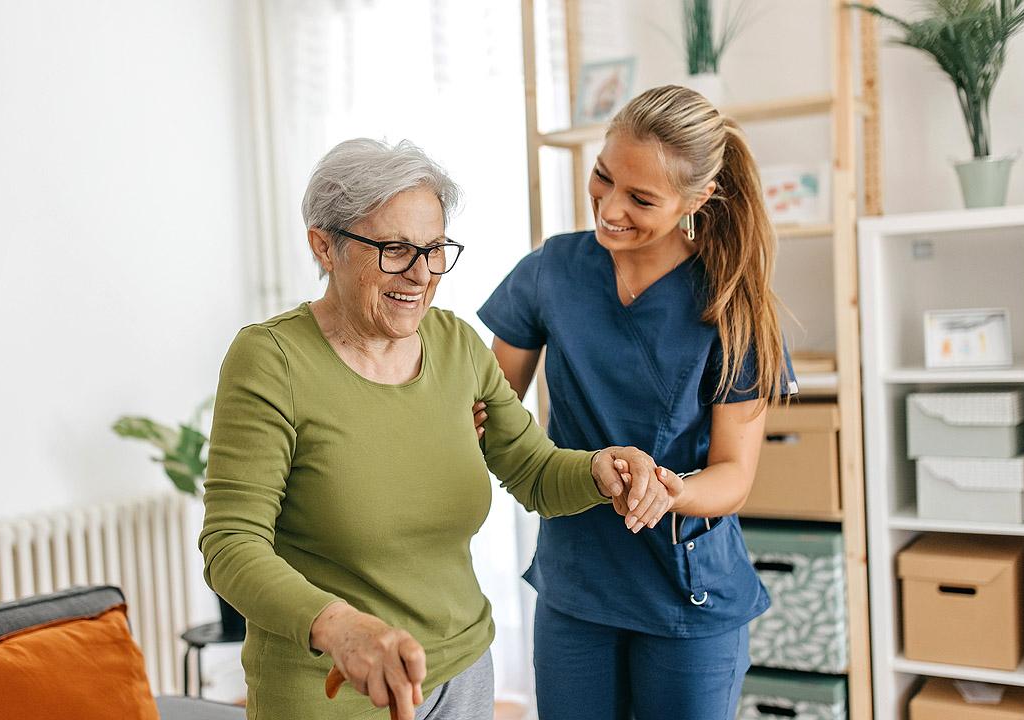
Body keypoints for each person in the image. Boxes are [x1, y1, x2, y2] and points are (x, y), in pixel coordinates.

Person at [198, 138, 680, 720]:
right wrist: (340, 629)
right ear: (323, 246)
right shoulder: (271, 359)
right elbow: (231, 545)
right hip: (331, 685)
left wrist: (600, 469)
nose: (422, 274)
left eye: (434, 249)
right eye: (395, 250)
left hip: (463, 673)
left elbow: (533, 470)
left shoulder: (455, 345)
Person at [477, 85, 798, 720]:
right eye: (603, 178)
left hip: (685, 594)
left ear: (696, 200)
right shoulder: (551, 272)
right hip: (575, 586)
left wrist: (669, 491)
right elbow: (489, 408)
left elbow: (734, 475)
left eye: (641, 198)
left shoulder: (732, 304)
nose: (610, 207)